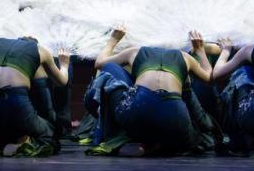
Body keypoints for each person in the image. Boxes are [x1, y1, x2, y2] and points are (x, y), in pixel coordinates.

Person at [90, 26, 213, 156]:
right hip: (175, 116)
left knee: (111, 68)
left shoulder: (135, 51)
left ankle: (114, 136)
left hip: (139, 110)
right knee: (190, 132)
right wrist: (200, 51)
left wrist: (113, 40)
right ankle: (161, 143)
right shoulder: (185, 56)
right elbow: (209, 77)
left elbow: (99, 63)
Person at [0, 37, 70, 155]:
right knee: (49, 131)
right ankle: (20, 143)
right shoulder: (41, 50)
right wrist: (64, 64)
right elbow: (62, 81)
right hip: (13, 104)